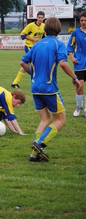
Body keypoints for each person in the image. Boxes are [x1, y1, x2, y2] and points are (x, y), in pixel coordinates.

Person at [20, 17, 80, 162]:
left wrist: (33, 74)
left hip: (35, 88)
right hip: (49, 88)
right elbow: (63, 63)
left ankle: (34, 154)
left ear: (45, 29)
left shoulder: (37, 45)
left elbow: (23, 62)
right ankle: (39, 144)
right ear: (59, 30)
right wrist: (74, 77)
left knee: (45, 120)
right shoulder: (58, 44)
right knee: (60, 120)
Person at [11, 11, 46, 89]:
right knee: (35, 63)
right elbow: (22, 35)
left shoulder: (44, 26)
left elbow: (44, 37)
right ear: (37, 18)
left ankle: (15, 83)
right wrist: (33, 39)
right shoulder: (31, 25)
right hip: (29, 47)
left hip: (37, 48)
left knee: (27, 65)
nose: (40, 19)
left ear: (44, 18)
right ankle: (37, 80)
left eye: (42, 17)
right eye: (39, 17)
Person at [67, 11, 86, 117]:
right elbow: (70, 46)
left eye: (85, 20)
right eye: (81, 20)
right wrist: (72, 57)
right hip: (79, 63)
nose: (83, 22)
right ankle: (79, 107)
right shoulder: (75, 32)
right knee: (79, 85)